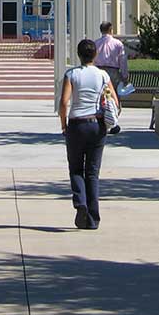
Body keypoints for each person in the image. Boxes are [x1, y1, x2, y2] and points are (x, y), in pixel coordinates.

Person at [59, 37, 118, 230]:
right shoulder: (102, 76)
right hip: (97, 125)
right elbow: (115, 102)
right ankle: (93, 219)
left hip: (76, 124)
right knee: (92, 172)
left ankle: (80, 203)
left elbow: (64, 102)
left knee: (76, 168)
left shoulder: (72, 74)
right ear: (95, 54)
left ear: (78, 54)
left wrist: (64, 125)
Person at [94, 21, 129, 134]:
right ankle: (113, 120)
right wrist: (124, 75)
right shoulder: (118, 44)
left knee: (100, 97)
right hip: (113, 71)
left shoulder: (96, 43)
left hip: (99, 70)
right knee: (114, 97)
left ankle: (100, 120)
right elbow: (122, 60)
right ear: (111, 30)